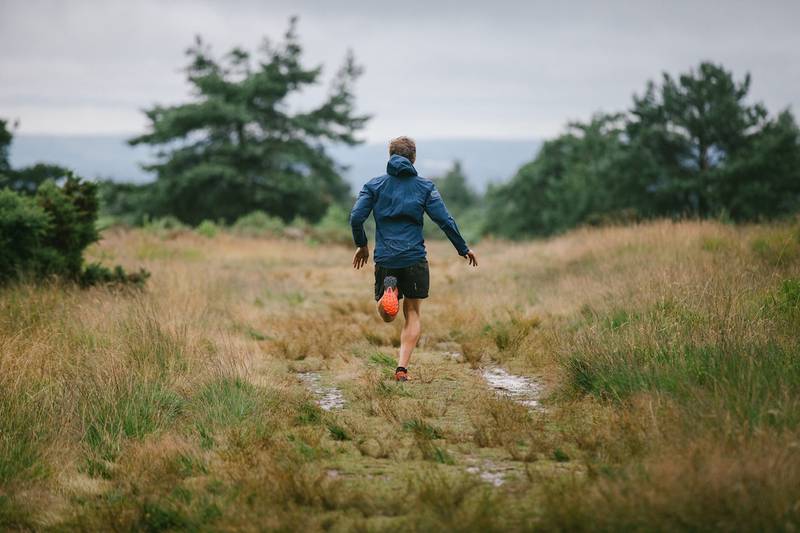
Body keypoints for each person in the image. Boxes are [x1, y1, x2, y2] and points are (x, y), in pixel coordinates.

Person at [350, 136, 478, 382]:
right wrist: (463, 248)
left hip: (386, 258)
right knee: (413, 313)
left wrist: (361, 245)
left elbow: (356, 217)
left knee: (388, 315)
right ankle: (402, 368)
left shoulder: (373, 185)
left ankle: (388, 294)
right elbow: (444, 220)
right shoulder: (425, 187)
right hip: (414, 257)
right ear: (414, 158)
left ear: (390, 156)